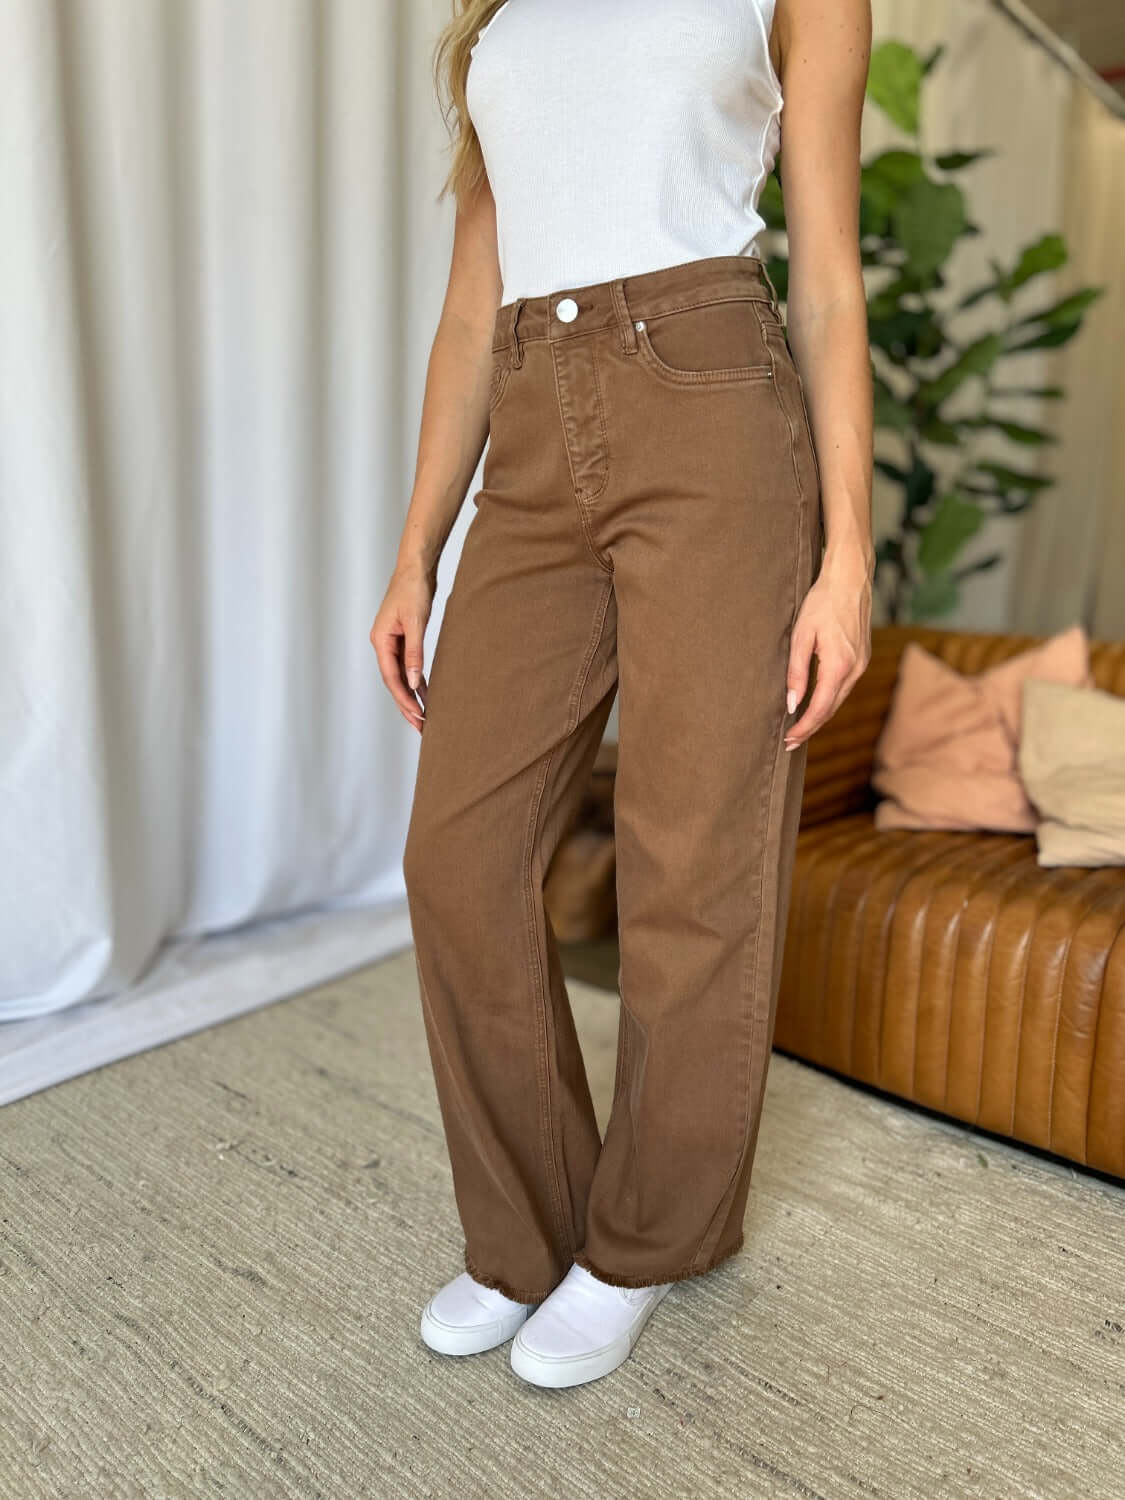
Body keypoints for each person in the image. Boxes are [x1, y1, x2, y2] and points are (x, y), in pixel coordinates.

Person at [371, 0, 874, 1390]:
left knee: (689, 858)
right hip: (531, 431)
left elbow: (826, 279)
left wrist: (847, 556)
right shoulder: (504, 17)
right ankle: (526, 1238)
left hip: (710, 404)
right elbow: (474, 304)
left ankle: (646, 1241)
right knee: (455, 857)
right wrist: (415, 548)